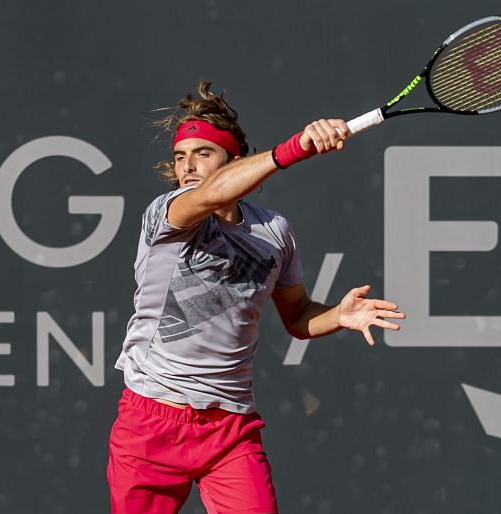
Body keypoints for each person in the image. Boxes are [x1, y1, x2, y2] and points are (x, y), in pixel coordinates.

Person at [107, 81, 406, 514]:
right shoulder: (167, 214)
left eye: (203, 153)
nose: (188, 166)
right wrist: (295, 147)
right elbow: (213, 193)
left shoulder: (274, 233)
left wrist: (338, 315)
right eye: (180, 156)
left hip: (231, 430)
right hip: (150, 422)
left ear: (234, 159)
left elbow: (298, 317)